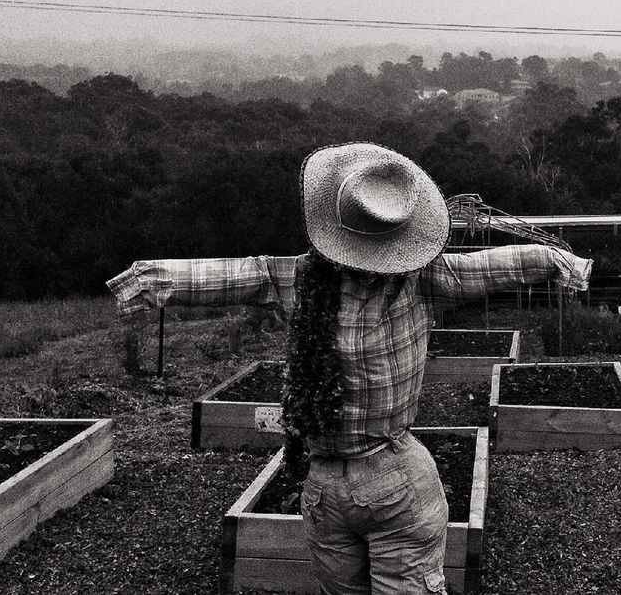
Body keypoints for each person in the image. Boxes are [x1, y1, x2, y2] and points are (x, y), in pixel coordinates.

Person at [107, 142, 591, 595]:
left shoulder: (303, 278)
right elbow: (494, 266)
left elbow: (238, 273)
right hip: (373, 485)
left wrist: (149, 279)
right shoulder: (419, 281)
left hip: (337, 482)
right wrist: (561, 261)